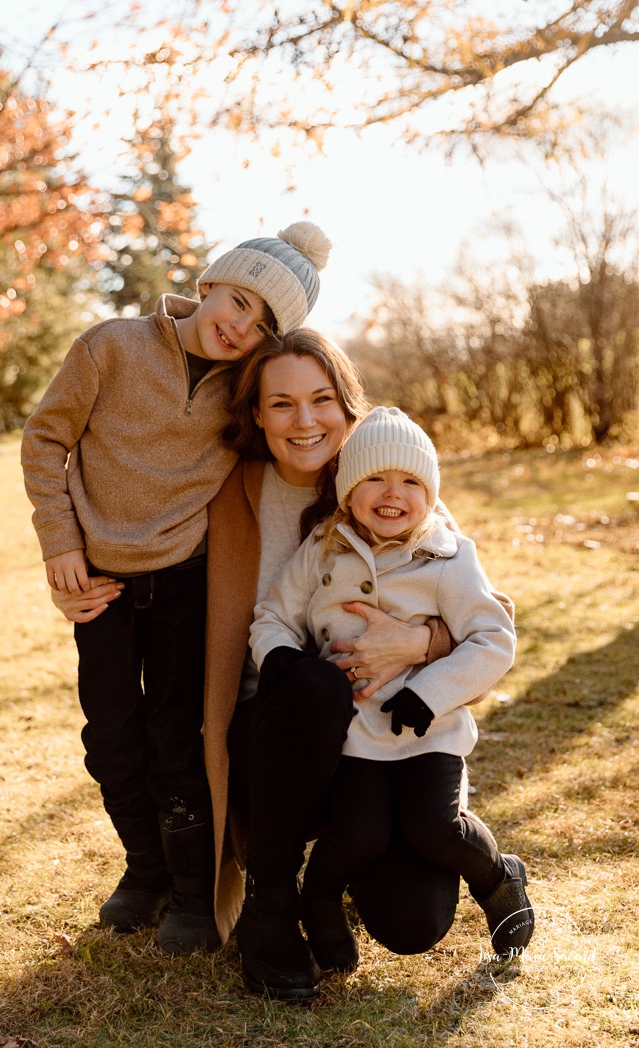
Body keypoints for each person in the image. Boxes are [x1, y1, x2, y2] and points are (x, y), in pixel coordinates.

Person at [51, 332, 485, 1002]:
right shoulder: (224, 490)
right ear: (256, 413)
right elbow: (133, 534)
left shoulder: (387, 479)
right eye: (281, 403)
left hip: (378, 739)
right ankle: (270, 903)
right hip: (269, 738)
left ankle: (353, 870)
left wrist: (422, 642)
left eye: (321, 400)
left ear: (347, 407)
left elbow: (485, 615)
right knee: (311, 684)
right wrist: (74, 574)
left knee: (411, 922)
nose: (303, 420)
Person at [21, 220, 332, 958]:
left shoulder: (246, 389)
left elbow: (312, 424)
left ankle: (193, 893)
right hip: (99, 581)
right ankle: (144, 868)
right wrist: (60, 542)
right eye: (239, 302)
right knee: (110, 737)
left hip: (187, 580)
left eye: (262, 325)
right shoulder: (110, 347)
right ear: (207, 284)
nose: (241, 327)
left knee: (177, 738)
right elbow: (44, 439)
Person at [249, 406, 534, 974]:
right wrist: (280, 658)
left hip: (431, 732)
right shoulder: (323, 549)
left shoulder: (448, 556)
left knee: (435, 827)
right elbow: (273, 616)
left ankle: (499, 879)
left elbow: (493, 639)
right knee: (358, 835)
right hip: (356, 733)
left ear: (430, 494)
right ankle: (319, 903)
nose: (392, 493)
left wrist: (431, 692)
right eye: (375, 478)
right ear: (348, 491)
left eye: (410, 482)